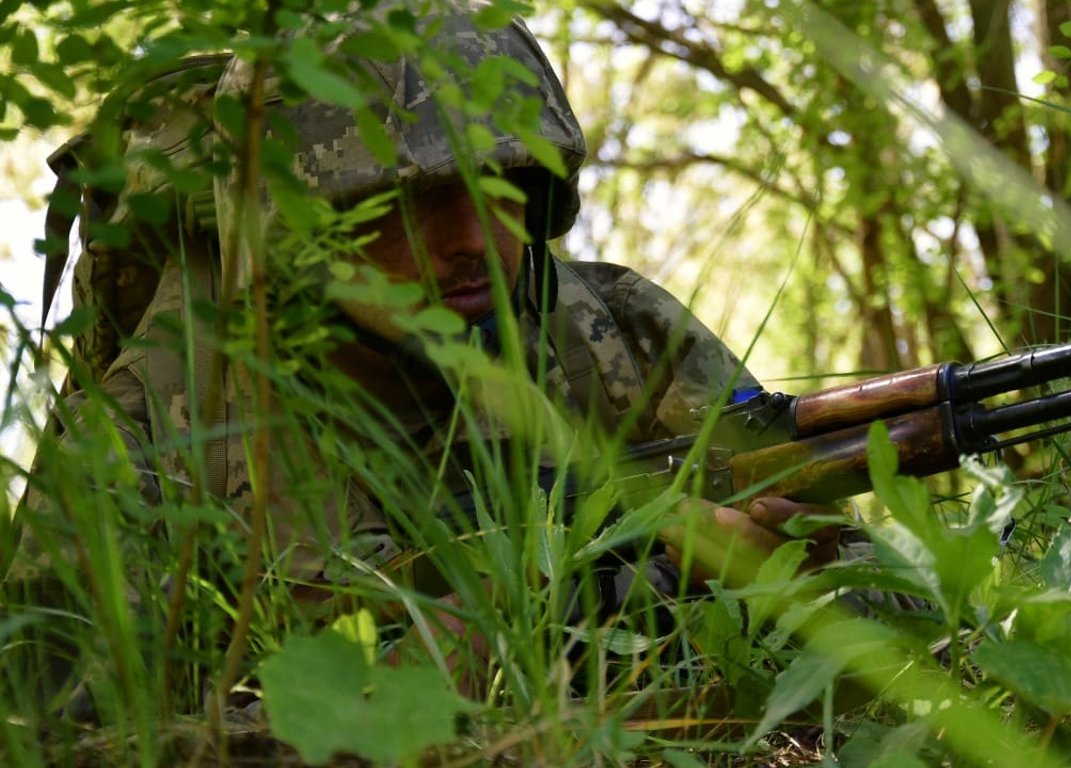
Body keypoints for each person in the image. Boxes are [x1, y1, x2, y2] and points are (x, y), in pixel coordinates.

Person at [2, 2, 839, 717]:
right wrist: (626, 601)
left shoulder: (613, 330)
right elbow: (68, 732)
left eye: (503, 188)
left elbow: (874, 601)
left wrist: (784, 578)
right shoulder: (149, 426)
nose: (474, 240)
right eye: (415, 203)